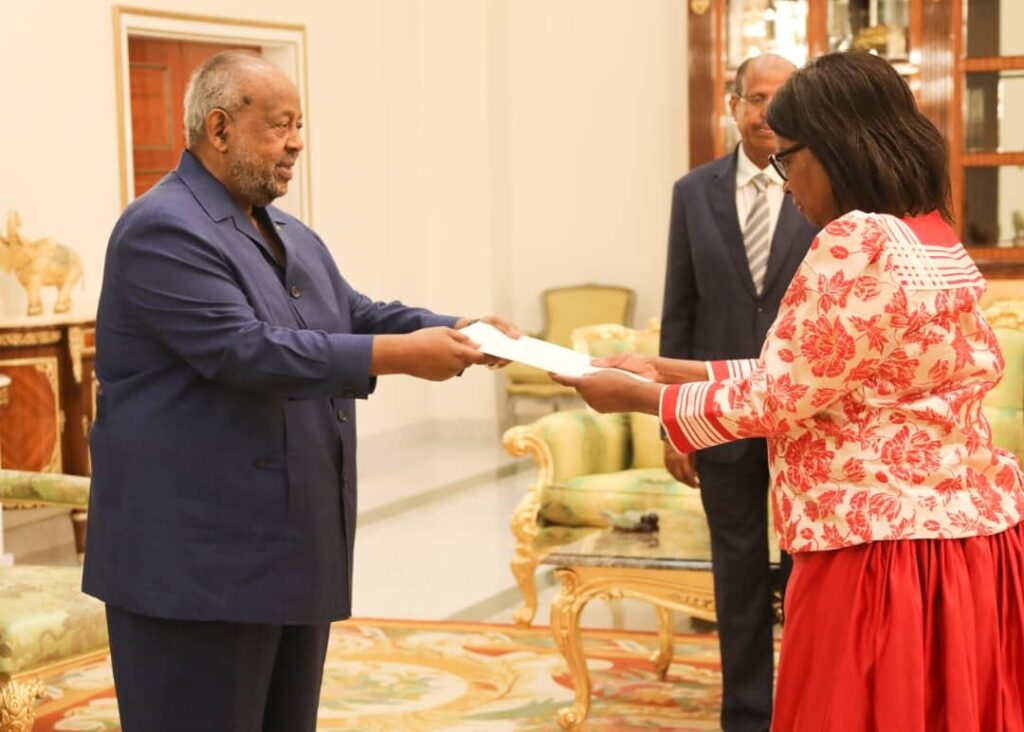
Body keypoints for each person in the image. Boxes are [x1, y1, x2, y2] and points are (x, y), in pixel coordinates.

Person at [554, 51, 1024, 731]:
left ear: (832, 149)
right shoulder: (930, 235)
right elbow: (826, 375)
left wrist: (634, 397)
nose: (782, 182)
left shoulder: (855, 239)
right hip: (958, 544)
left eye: (787, 158)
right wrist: (673, 369)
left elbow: (779, 399)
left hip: (875, 553)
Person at [83, 51, 517, 731]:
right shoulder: (160, 228)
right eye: (280, 125)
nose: (297, 142)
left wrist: (458, 328)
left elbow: (353, 312)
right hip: (197, 566)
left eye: (300, 124)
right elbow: (246, 351)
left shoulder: (288, 232)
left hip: (288, 548)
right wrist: (404, 357)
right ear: (219, 128)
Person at [659, 52, 818, 732]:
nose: (766, 113)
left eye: (780, 100)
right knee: (738, 575)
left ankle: (810, 708)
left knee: (809, 577)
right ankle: (749, 716)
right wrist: (675, 421)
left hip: (803, 418)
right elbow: (680, 309)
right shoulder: (692, 192)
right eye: (755, 99)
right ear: (733, 105)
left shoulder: (821, 188)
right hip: (721, 416)